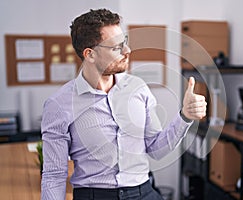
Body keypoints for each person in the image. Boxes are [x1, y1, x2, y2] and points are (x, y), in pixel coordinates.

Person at [41, 8, 207, 200]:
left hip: (144, 192)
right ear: (90, 54)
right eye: (116, 47)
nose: (127, 51)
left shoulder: (138, 88)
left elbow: (155, 148)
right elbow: (54, 175)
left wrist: (185, 116)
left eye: (125, 43)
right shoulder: (58, 105)